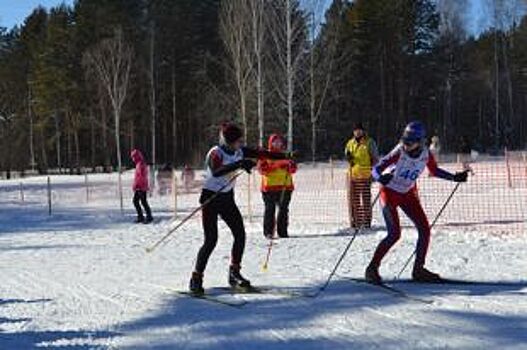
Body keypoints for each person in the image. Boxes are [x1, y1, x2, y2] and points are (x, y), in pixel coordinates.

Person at [189, 122, 295, 295]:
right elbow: (216, 171)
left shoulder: (239, 151)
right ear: (229, 141)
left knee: (240, 234)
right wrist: (239, 164)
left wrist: (286, 155)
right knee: (211, 240)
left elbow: (262, 154)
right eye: (238, 141)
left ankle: (234, 273)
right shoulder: (216, 152)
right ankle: (196, 277)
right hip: (211, 198)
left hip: (227, 199)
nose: (241, 143)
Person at [365, 121, 468, 284]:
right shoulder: (399, 151)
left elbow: (434, 171)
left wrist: (454, 177)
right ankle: (372, 269)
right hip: (389, 193)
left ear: (420, 142)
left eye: (410, 142)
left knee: (424, 230)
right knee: (394, 234)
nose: (405, 145)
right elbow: (376, 168)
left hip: (407, 194)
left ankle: (418, 270)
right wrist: (380, 178)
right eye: (404, 140)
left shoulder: (426, 155)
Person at [257, 134, 297, 239]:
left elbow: (293, 168)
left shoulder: (285, 154)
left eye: (279, 142)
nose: (277, 144)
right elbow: (262, 169)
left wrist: (289, 166)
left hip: (285, 187)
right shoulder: (266, 155)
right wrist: (276, 166)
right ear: (271, 143)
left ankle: (283, 232)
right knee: (270, 210)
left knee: (283, 210)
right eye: (275, 142)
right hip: (269, 188)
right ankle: (268, 232)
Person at [344, 123, 379, 229]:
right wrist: (348, 157)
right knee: (353, 200)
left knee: (365, 198)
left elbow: (375, 158)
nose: (357, 132)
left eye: (360, 130)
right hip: (353, 175)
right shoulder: (350, 143)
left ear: (363, 131)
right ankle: (355, 222)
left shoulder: (369, 142)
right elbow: (347, 153)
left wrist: (373, 171)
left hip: (365, 175)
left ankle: (366, 221)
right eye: (356, 130)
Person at [131, 149, 153, 224]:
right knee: (136, 201)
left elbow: (141, 176)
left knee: (142, 201)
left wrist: (137, 185)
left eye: (133, 157)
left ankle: (149, 216)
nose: (132, 159)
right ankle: (141, 216)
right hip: (139, 186)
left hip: (141, 186)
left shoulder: (141, 164)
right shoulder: (138, 164)